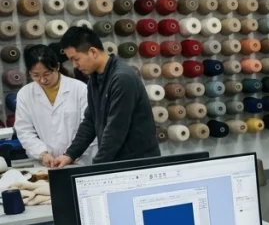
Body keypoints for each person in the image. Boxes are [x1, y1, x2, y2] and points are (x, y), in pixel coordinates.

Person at [52, 26, 160, 166]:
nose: (75, 65)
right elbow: (90, 121)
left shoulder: (121, 79)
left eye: (76, 59)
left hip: (138, 163)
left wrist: (97, 167)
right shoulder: (95, 79)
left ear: (93, 52)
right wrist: (70, 154)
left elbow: (115, 131)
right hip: (118, 161)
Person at [14, 45, 94, 166]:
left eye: (47, 74)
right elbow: (24, 130)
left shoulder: (80, 89)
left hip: (81, 159)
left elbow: (89, 127)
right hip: (46, 163)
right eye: (35, 75)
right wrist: (42, 153)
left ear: (57, 67)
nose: (42, 80)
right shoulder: (25, 94)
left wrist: (71, 155)